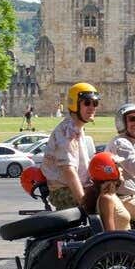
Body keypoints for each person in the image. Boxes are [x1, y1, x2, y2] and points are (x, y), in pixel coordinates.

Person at [40, 82, 100, 210]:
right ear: (75, 104)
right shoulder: (67, 131)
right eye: (87, 103)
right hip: (64, 190)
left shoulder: (77, 129)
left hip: (79, 186)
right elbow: (69, 171)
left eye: (95, 103)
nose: (92, 107)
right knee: (104, 207)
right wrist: (85, 203)